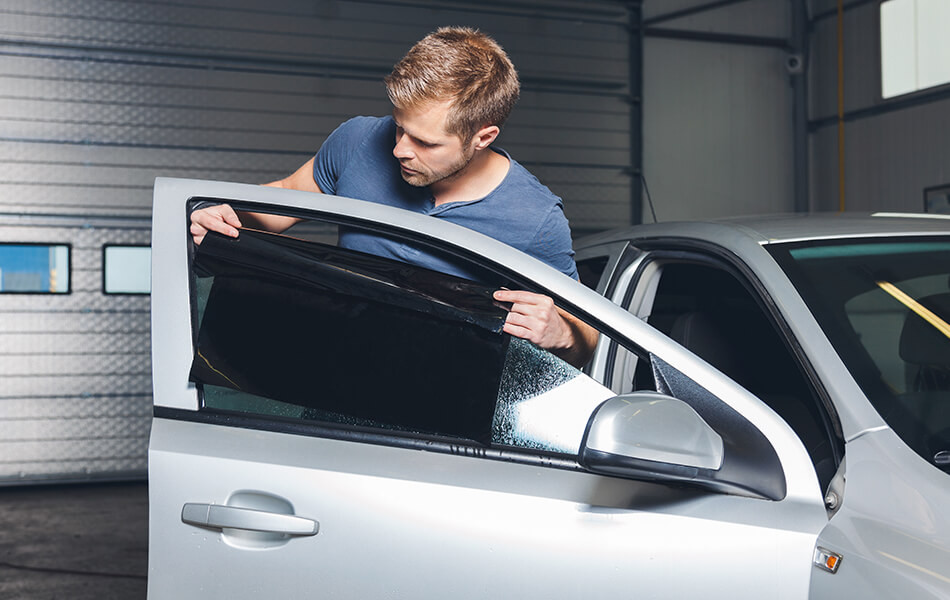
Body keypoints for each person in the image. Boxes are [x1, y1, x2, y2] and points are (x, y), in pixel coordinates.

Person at [190, 26, 598, 367]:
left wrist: (561, 333)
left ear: (483, 137)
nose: (400, 148)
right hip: (332, 371)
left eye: (424, 141)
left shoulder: (535, 217)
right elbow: (284, 198)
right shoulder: (356, 141)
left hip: (443, 403)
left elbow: (587, 334)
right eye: (399, 126)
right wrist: (229, 215)